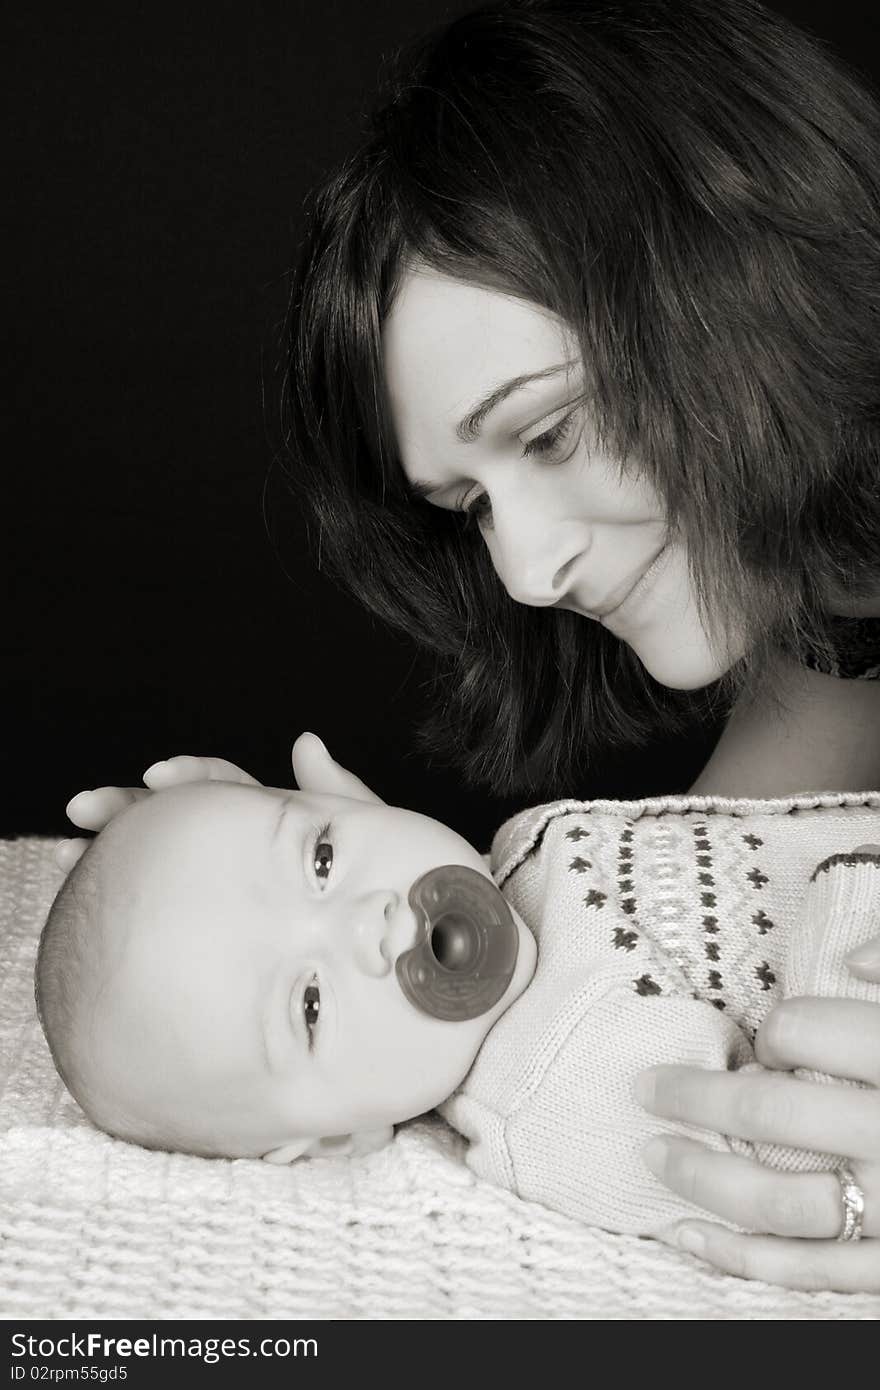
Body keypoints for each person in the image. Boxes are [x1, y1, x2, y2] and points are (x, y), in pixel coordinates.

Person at [273, 0, 880, 1286]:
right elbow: (709, 967)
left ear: (745, 281)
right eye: (471, 505)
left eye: (549, 433)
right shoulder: (825, 637)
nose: (527, 568)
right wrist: (281, 904)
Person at [41, 736, 879, 1285]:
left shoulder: (516, 863)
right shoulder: (559, 1102)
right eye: (308, 1003)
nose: (363, 920)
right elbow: (797, 1157)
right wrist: (859, 897)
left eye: (323, 856)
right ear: (337, 1135)